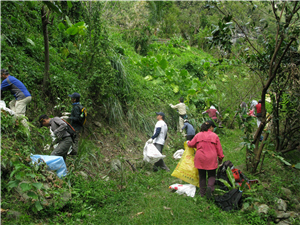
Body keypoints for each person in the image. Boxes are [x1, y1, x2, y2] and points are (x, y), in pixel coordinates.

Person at [187, 120, 224, 199]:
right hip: (211, 158)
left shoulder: (198, 135)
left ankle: (202, 193)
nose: (213, 129)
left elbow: (191, 144)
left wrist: (188, 142)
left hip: (200, 158)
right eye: (213, 127)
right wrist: (220, 159)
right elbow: (219, 150)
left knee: (202, 176)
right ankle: (210, 188)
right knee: (212, 175)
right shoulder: (215, 136)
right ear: (210, 127)